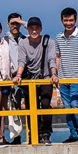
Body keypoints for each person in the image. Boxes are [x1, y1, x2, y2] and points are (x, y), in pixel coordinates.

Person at [14, 17, 55, 145]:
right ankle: (33, 133)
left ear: (41, 29)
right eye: (31, 28)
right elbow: (22, 60)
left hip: (45, 77)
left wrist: (54, 74)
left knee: (45, 104)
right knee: (31, 106)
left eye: (37, 28)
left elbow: (52, 59)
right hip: (30, 79)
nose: (34, 31)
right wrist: (18, 75)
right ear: (27, 29)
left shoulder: (49, 42)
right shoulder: (23, 43)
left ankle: (46, 133)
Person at [53, 8, 78, 143]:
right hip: (63, 78)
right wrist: (55, 73)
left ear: (75, 20)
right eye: (66, 20)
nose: (68, 23)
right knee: (67, 107)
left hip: (77, 77)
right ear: (61, 21)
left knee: (75, 104)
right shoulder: (58, 37)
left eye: (71, 20)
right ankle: (74, 134)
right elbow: (58, 57)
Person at [4, 12, 27, 143]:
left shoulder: (26, 38)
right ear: (8, 24)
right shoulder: (4, 41)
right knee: (14, 107)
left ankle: (32, 135)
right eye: (12, 23)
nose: (15, 26)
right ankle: (16, 137)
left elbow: (35, 28)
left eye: (17, 23)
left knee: (30, 106)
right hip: (12, 77)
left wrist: (22, 22)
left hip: (26, 77)